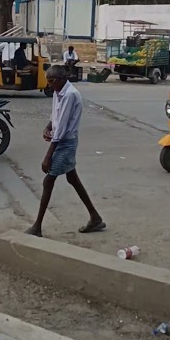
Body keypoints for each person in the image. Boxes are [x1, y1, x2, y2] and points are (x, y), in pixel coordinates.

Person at [27, 65, 105, 238]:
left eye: (51, 81)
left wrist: (48, 156)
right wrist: (48, 127)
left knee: (49, 180)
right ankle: (95, 217)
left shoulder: (70, 94)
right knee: (72, 178)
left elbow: (62, 127)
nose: (49, 85)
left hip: (66, 143)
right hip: (61, 140)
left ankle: (37, 226)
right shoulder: (59, 91)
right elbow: (56, 116)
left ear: (61, 79)